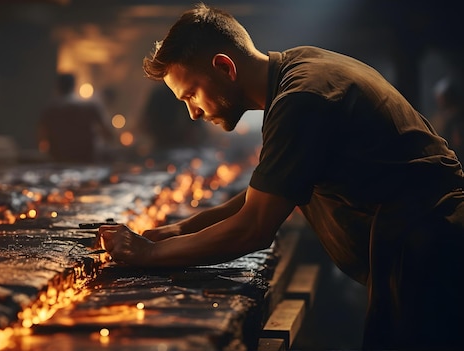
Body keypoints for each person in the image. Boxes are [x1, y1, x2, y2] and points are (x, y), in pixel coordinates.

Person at [98, 3, 464, 350]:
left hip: (429, 254)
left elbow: (254, 227)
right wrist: (180, 230)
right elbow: (268, 190)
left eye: (191, 94)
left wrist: (151, 253)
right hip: (419, 246)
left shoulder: (301, 99)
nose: (192, 113)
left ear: (225, 67)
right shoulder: (299, 68)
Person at [38, 73, 113, 163]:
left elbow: (41, 137)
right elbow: (108, 134)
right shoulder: (90, 107)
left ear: (57, 86)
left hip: (59, 161)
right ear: (74, 85)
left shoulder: (50, 110)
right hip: (87, 162)